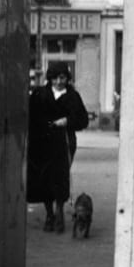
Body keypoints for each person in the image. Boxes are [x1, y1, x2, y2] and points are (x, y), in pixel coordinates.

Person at [26, 62, 90, 233]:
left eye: (62, 78)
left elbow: (83, 119)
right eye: (55, 78)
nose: (59, 82)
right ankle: (49, 214)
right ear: (50, 78)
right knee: (43, 177)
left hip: (64, 141)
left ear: (67, 78)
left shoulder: (73, 96)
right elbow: (30, 116)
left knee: (60, 176)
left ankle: (60, 212)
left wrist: (67, 121)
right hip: (42, 141)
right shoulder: (39, 94)